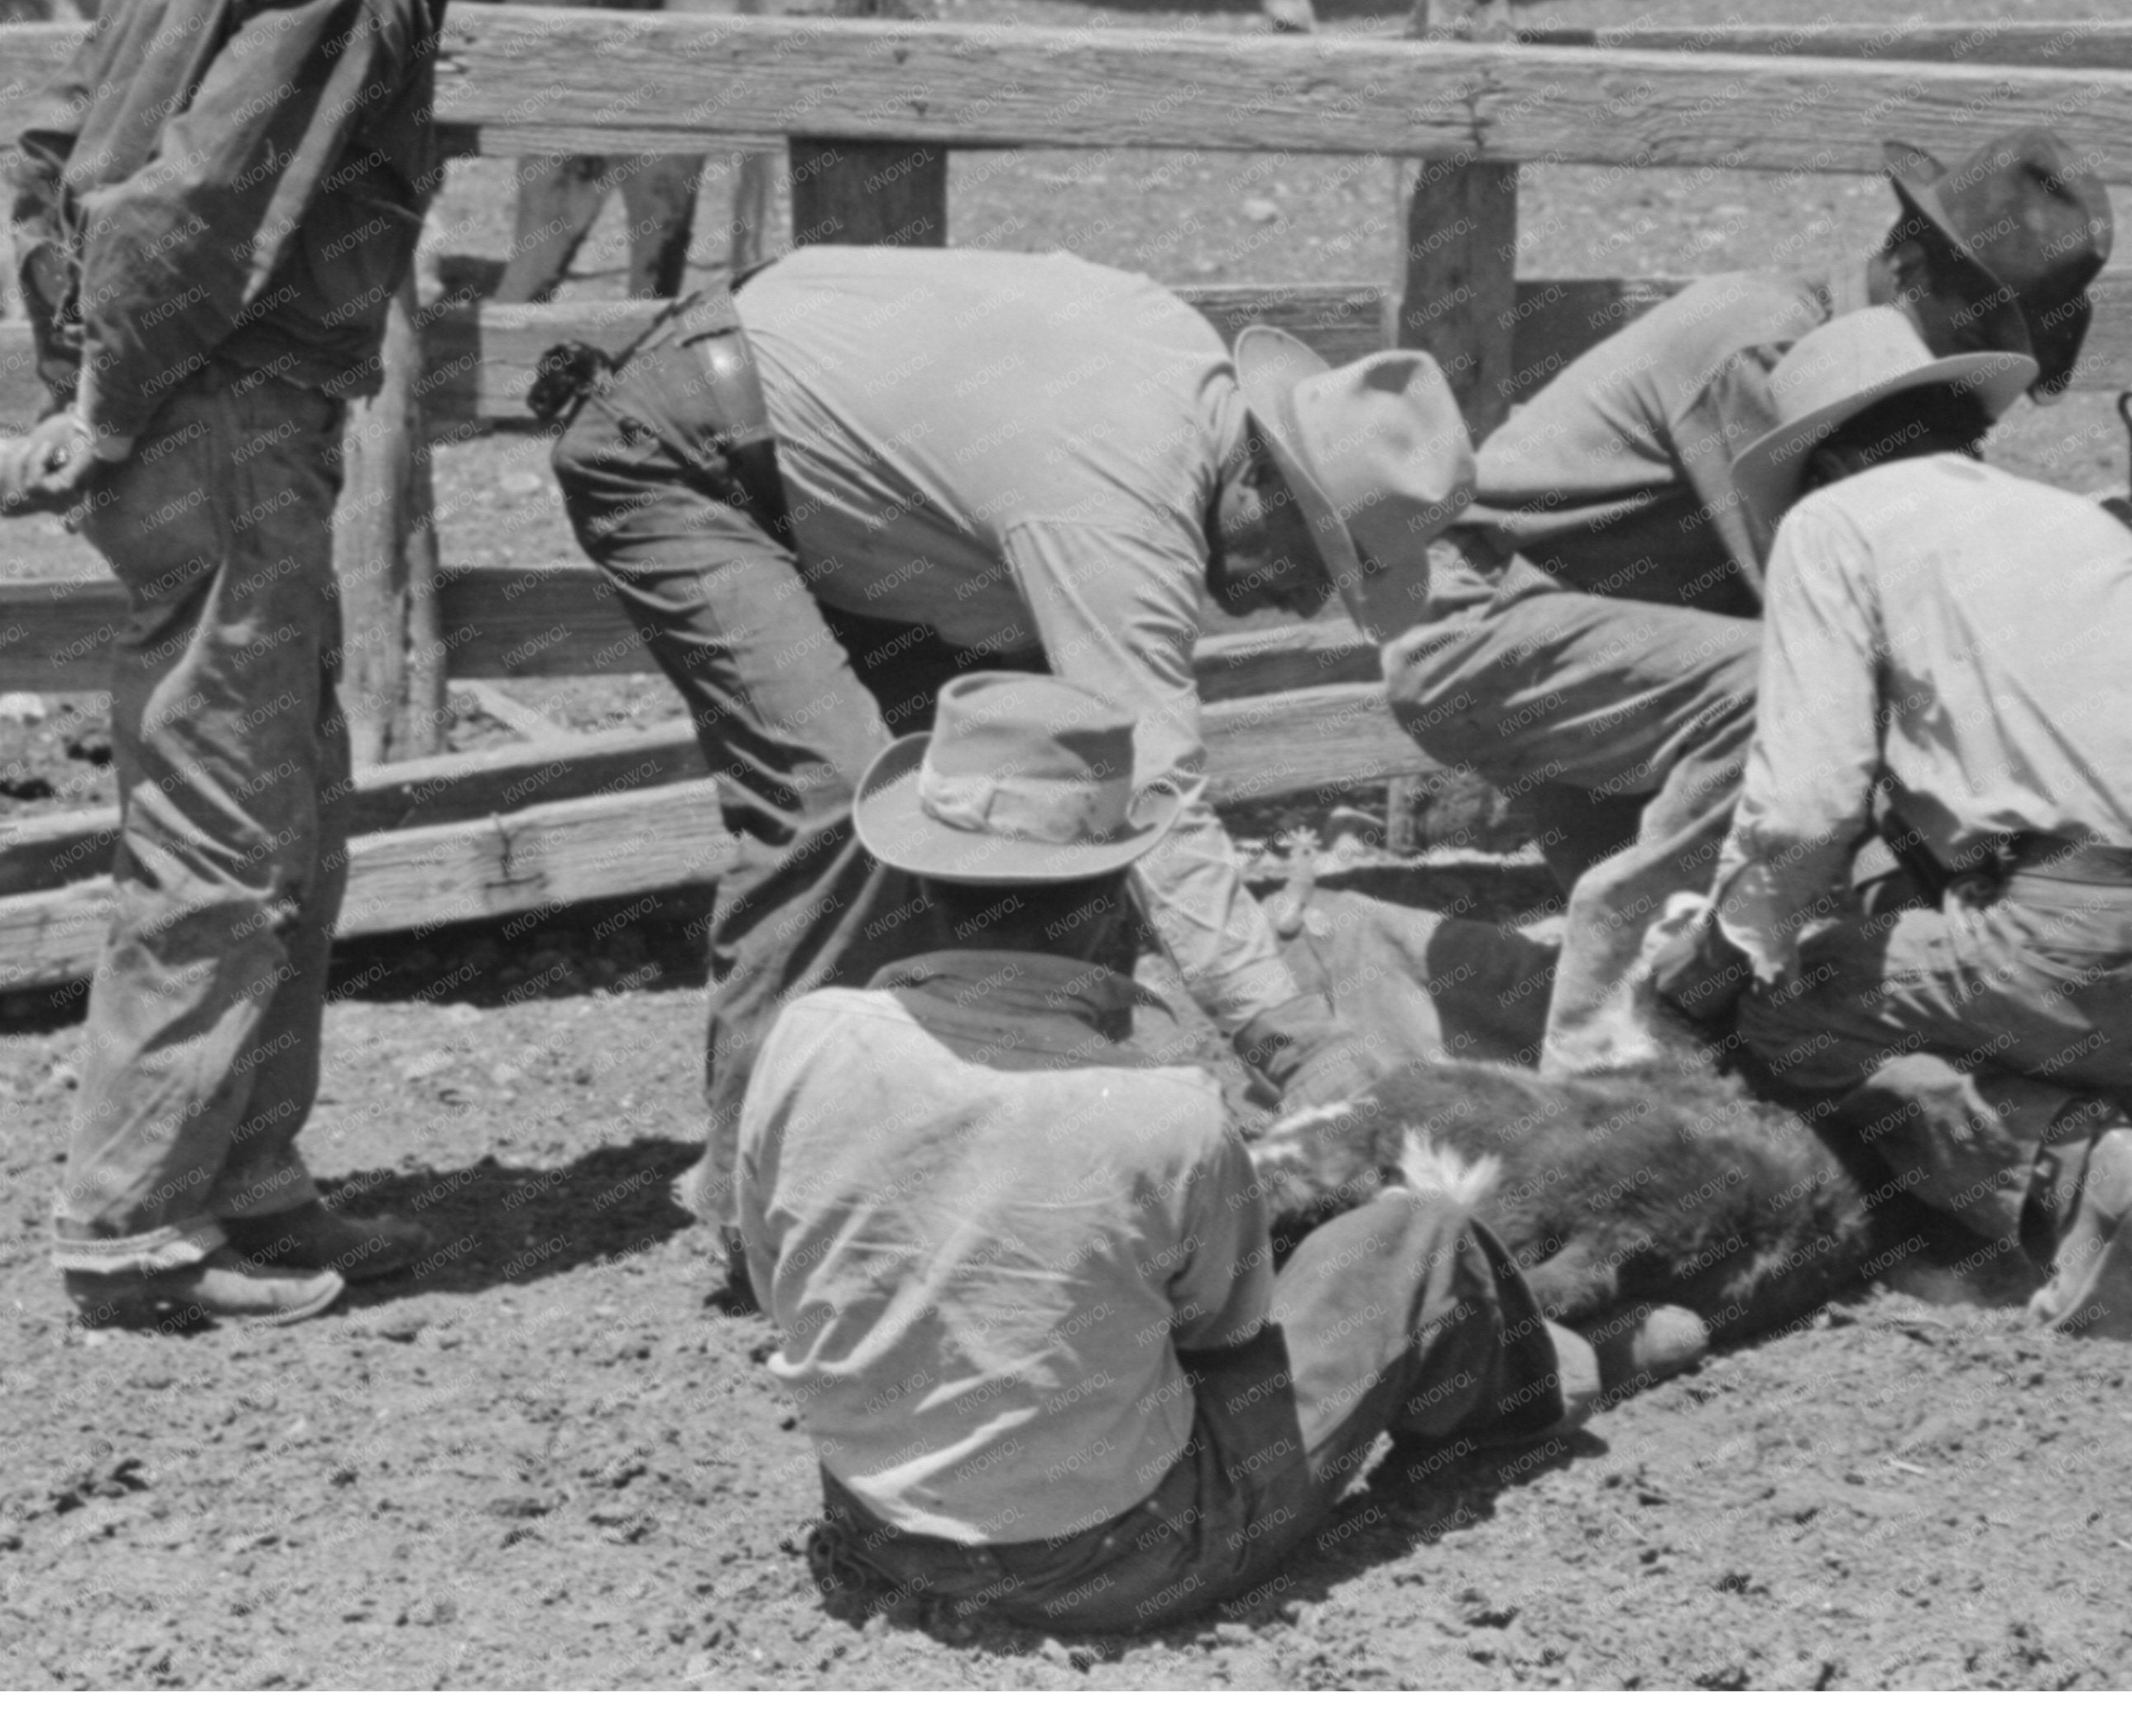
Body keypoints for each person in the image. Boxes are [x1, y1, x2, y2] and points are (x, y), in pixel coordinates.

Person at [0, 0, 593, 1330]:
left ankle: (245, 1170)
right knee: (230, 816)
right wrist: (106, 403)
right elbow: (196, 207)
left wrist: (79, 375)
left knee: (277, 797)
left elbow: (54, 149)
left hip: (194, 404)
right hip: (230, 411)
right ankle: (141, 1215)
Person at [737, 673, 1708, 1633]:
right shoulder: (1165, 1111)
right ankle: (1554, 1381)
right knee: (1415, 1243)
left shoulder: (808, 1036)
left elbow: (781, 1268)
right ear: (1118, 900)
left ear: (915, 883)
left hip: (874, 1520)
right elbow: (1224, 1331)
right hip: (1114, 1558)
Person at [547, 252, 1469, 1249]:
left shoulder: (1170, 404)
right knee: (838, 799)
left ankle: (1016, 1137)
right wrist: (1292, 1040)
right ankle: (759, 1214)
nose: (1301, 600)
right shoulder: (1118, 501)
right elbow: (1163, 799)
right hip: (686, 455)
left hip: (840, 478)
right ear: (1260, 482)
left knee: (1046, 796)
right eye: (1311, 561)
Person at [1382, 131, 2115, 1076]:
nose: (1974, 395)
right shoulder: (1769, 350)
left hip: (1621, 658)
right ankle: (1600, 1066)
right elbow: (1839, 630)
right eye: (1973, 344)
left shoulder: (1865, 379)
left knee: (1733, 994)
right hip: (1481, 629)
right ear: (1904, 266)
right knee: (1796, 715)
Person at [1660, 307, 2132, 1336]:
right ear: (1957, 421)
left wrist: (1735, 948)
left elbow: (1807, 802)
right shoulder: (2068, 516)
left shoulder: (1832, 526)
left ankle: (2084, 1170)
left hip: (2095, 945)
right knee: (2001, 932)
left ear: (1823, 463)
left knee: (1792, 1009)